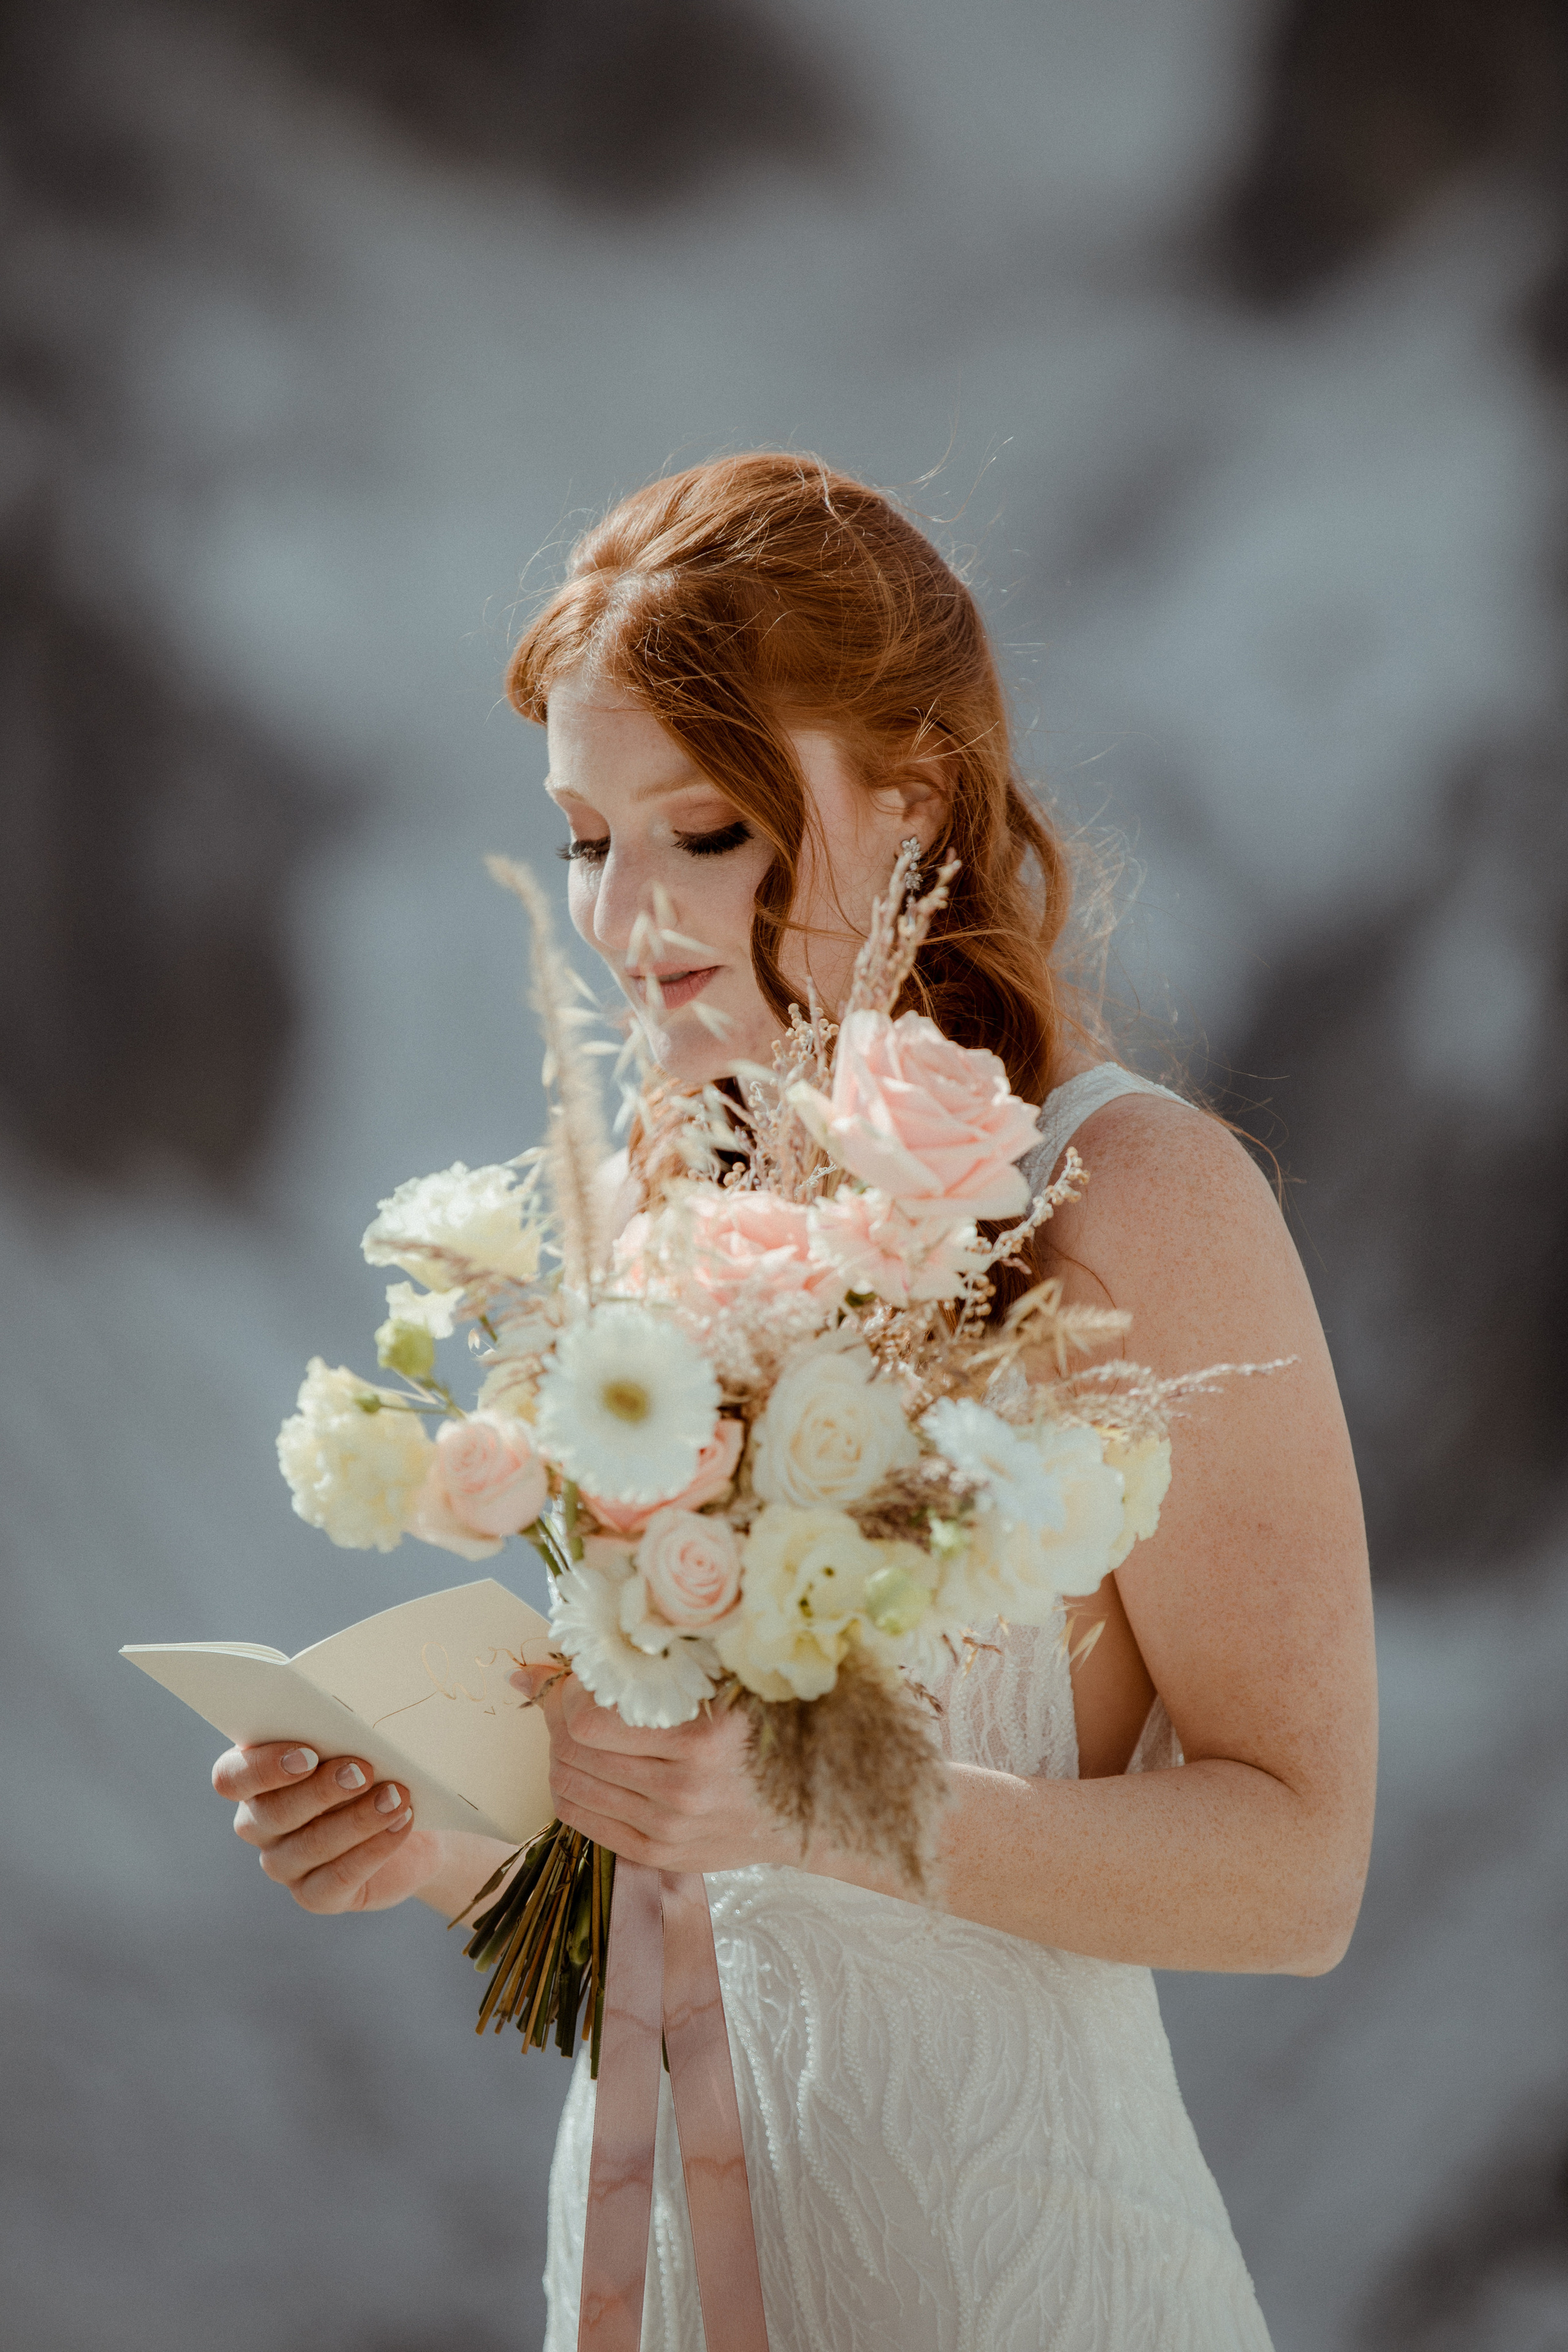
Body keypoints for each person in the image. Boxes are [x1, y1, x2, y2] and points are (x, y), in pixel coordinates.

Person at [212, 454, 1376, 2351]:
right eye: (590, 836)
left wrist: (818, 1810)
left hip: (1029, 2291)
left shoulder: (1148, 1199)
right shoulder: (660, 1211)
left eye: (707, 831)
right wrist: (452, 1852)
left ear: (910, 800)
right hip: (669, 2286)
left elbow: (1299, 1867)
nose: (623, 911)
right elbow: (702, 1910)